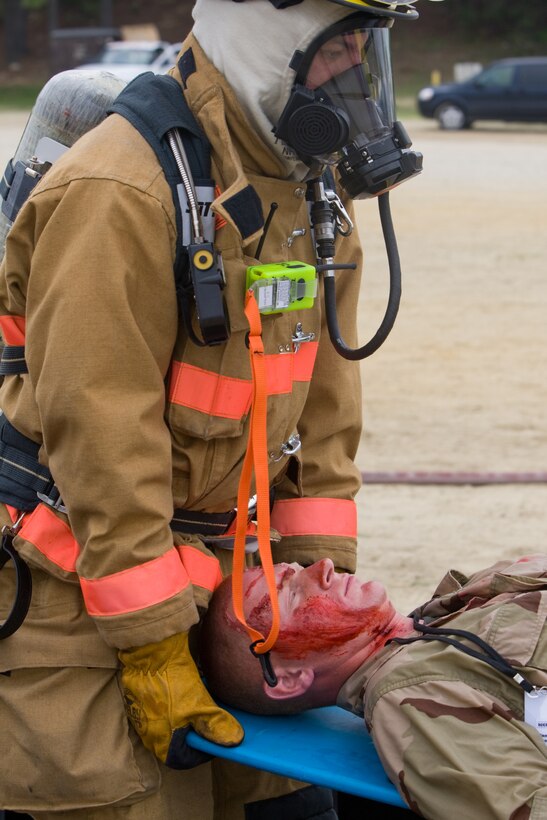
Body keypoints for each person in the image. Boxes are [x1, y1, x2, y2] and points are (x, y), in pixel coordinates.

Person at [0, 0, 432, 817]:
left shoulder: (312, 195)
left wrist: (321, 594)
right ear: (267, 43)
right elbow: (100, 437)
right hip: (85, 603)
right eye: (335, 47)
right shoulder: (120, 189)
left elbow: (323, 419)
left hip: (237, 609)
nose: (356, 73)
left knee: (294, 805)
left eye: (363, 48)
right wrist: (153, 642)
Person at [200, 556, 547, 818]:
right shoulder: (411, 698)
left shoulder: (444, 614)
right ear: (289, 677)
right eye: (289, 594)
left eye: (298, 568)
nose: (323, 565)